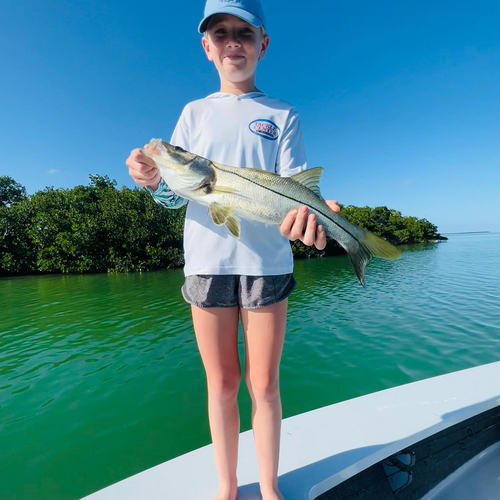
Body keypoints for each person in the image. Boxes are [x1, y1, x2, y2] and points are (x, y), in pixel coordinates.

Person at [126, 1, 339, 499]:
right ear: (207, 47)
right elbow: (172, 195)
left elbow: (293, 191)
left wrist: (313, 217)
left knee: (263, 386)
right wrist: (153, 178)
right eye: (220, 33)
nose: (232, 42)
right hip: (206, 263)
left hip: (267, 263)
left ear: (263, 44)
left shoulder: (283, 114)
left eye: (244, 32)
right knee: (221, 385)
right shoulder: (192, 113)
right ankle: (226, 487)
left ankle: (268, 488)